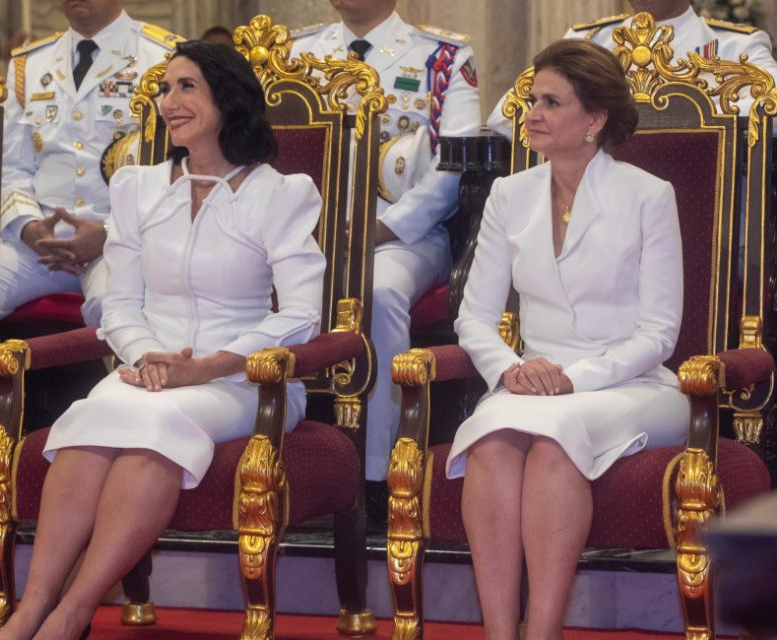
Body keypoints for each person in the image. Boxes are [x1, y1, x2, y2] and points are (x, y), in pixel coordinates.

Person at [0, 41, 326, 640]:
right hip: (146, 369)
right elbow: (118, 305)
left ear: (229, 98)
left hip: (243, 380)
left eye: (186, 88)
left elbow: (303, 315)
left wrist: (211, 367)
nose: (168, 103)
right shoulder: (136, 187)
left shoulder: (282, 192)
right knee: (92, 417)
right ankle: (33, 606)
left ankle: (73, 612)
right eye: (165, 90)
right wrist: (147, 355)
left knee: (151, 429)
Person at [451, 39, 687, 640]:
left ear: (595, 120)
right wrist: (510, 370)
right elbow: (474, 317)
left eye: (551, 102)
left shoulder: (648, 196)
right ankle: (501, 632)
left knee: (555, 440)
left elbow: (659, 333)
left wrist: (573, 380)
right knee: (490, 439)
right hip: (531, 380)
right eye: (532, 99)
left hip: (630, 383)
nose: (531, 113)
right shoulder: (510, 195)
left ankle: (544, 632)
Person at [290, 0, 482, 486]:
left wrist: (386, 228)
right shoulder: (297, 54)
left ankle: (372, 473)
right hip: (305, 235)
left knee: (378, 292)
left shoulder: (441, 59)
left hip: (404, 237)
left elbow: (453, 164)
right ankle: (273, 449)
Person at [0, 0, 180, 326]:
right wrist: (28, 227)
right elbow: (11, 166)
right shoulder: (30, 63)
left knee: (117, 311)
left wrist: (111, 231)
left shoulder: (165, 58)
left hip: (125, 241)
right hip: (40, 244)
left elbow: (180, 169)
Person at [487, 0, 777, 138]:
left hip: (708, 225)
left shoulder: (736, 48)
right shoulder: (585, 42)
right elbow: (506, 117)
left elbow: (771, 115)